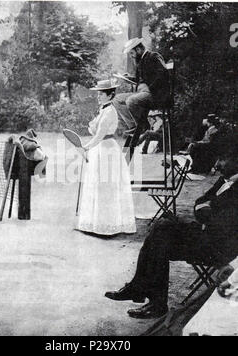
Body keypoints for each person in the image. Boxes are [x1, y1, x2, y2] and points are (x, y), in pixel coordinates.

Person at [105, 154, 238, 318]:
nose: (217, 165)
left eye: (222, 160)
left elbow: (221, 224)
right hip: (207, 235)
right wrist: (206, 209)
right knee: (161, 229)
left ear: (235, 161)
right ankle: (146, 295)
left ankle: (147, 296)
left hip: (221, 249)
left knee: (161, 239)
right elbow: (199, 202)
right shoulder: (224, 180)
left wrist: (206, 210)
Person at [76, 79, 136, 236]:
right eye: (98, 94)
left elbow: (99, 135)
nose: (98, 96)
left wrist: (85, 147)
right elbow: (94, 129)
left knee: (106, 187)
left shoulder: (110, 112)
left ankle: (107, 226)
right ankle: (94, 224)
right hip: (101, 150)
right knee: (97, 185)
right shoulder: (103, 110)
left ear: (111, 95)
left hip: (107, 150)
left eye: (101, 94)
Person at [113, 38, 170, 140]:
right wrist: (128, 78)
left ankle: (143, 127)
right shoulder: (140, 62)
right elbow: (140, 80)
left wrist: (149, 87)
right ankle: (134, 126)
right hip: (143, 93)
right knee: (116, 99)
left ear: (139, 50)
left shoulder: (154, 56)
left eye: (132, 53)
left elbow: (163, 75)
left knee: (131, 100)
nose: (131, 56)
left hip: (156, 95)